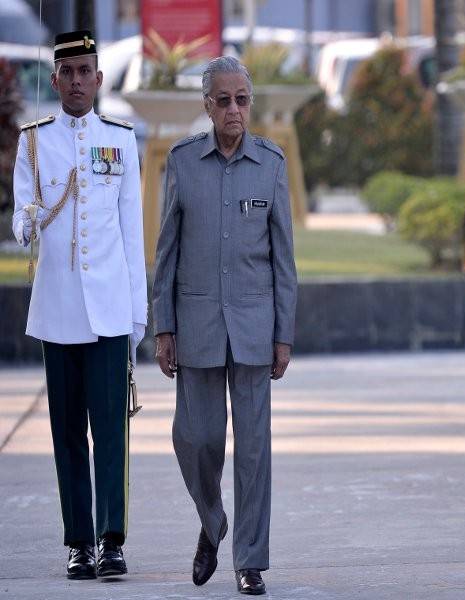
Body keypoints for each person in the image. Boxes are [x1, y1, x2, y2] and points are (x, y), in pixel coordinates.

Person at [151, 55, 297, 596]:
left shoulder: (271, 163)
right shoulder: (184, 162)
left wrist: (284, 334)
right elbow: (166, 252)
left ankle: (250, 561)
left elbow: (284, 258)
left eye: (242, 99)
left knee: (254, 450)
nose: (234, 110)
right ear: (206, 105)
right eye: (224, 100)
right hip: (197, 327)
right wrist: (163, 325)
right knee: (196, 439)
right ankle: (213, 524)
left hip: (257, 328)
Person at [11, 29, 146, 580]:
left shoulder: (119, 137)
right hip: (59, 309)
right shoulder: (35, 141)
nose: (75, 81)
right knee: (66, 431)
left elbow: (132, 234)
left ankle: (112, 540)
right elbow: (21, 219)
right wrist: (31, 218)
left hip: (110, 308)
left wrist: (137, 316)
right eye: (65, 73)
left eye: (84, 71)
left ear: (98, 78)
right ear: (55, 79)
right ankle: (79, 541)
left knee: (111, 428)